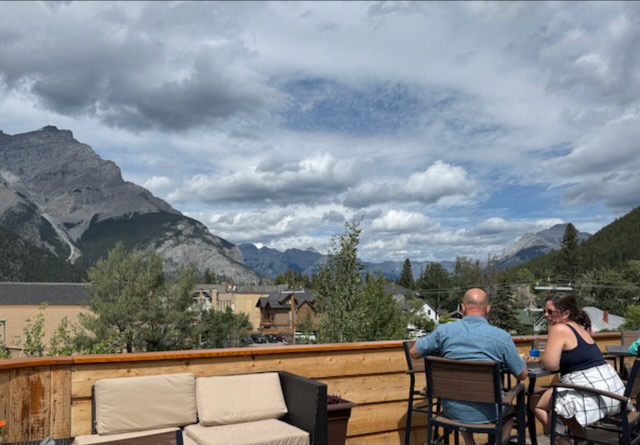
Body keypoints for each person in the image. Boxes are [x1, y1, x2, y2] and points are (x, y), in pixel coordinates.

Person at [410, 288, 527, 445]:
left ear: (462, 308)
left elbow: (414, 352)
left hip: (452, 410)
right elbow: (522, 374)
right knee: (510, 412)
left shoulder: (443, 331)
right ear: (488, 309)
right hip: (491, 412)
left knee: (464, 397)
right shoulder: (502, 337)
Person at [530, 293, 625, 445]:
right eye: (544, 311)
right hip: (614, 393)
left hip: (595, 395)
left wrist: (543, 360)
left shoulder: (559, 328)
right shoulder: (579, 327)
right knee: (561, 401)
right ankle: (582, 440)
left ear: (566, 314)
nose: (546, 315)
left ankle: (563, 441)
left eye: (550, 312)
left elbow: (551, 365)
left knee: (536, 402)